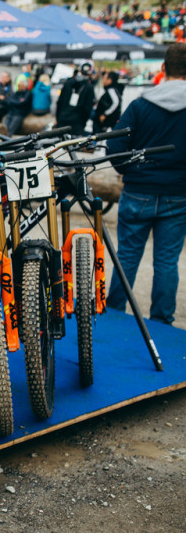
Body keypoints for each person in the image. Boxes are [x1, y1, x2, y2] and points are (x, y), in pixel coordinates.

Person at [105, 43, 186, 326]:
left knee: (127, 255)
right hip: (178, 194)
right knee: (167, 261)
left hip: (138, 191)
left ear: (163, 68)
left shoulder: (140, 105)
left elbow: (114, 147)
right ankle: (162, 321)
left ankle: (115, 313)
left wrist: (133, 171)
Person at [55, 62, 96, 137]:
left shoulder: (68, 83)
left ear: (80, 70)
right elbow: (88, 109)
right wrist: (83, 123)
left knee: (60, 141)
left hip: (63, 120)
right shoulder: (89, 87)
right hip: (77, 124)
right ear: (90, 73)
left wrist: (58, 118)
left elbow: (59, 102)